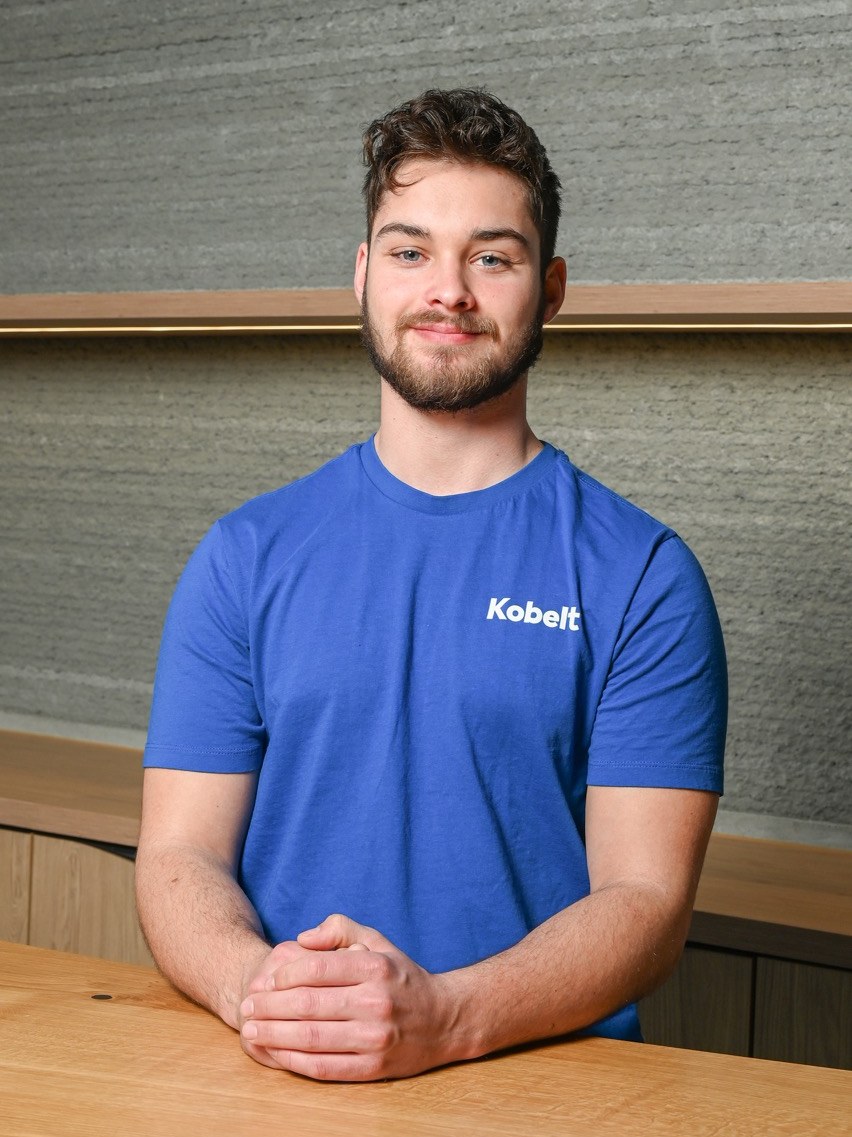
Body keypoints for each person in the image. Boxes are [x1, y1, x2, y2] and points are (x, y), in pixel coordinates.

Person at [135, 87, 727, 1083]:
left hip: (540, 1091)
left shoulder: (643, 577)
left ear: (551, 289)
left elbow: (646, 904)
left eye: (492, 258)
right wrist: (265, 996)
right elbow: (177, 856)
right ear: (363, 275)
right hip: (279, 1081)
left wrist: (445, 1019)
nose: (447, 290)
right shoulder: (244, 556)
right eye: (410, 252)